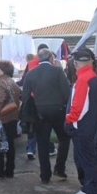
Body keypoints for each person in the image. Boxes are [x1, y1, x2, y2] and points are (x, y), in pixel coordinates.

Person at [21, 48, 71, 184]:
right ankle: (59, 168)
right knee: (64, 138)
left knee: (42, 142)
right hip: (58, 110)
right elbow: (67, 93)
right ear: (51, 59)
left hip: (40, 112)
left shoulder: (31, 74)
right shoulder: (57, 71)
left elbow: (25, 97)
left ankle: (45, 175)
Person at [64, 48, 97, 194]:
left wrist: (69, 120)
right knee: (85, 159)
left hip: (81, 126)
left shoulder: (84, 79)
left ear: (76, 63)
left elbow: (79, 106)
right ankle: (88, 190)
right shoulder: (91, 77)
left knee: (87, 160)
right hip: (87, 125)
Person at [0, 60, 21, 179]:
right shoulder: (12, 82)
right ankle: (10, 170)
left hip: (2, 119)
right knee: (10, 145)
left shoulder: (0, 84)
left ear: (2, 70)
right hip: (12, 117)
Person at [19, 44, 48, 161]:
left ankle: (30, 149)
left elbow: (24, 82)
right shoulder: (52, 65)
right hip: (46, 100)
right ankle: (48, 148)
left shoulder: (30, 64)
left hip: (32, 100)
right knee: (45, 125)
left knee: (32, 125)